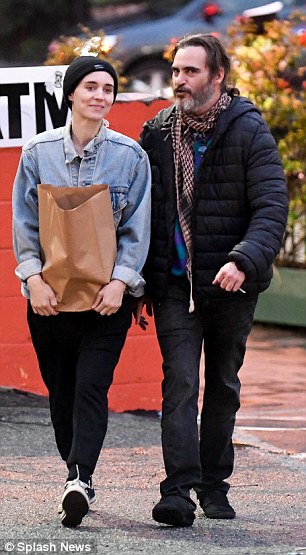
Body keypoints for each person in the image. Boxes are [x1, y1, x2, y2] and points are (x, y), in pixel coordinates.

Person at [138, 34, 288, 526]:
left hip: (232, 286)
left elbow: (271, 207)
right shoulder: (158, 132)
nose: (178, 81)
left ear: (217, 75)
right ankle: (177, 492)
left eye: (190, 72)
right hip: (176, 286)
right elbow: (141, 208)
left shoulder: (247, 129)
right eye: (176, 71)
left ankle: (214, 484)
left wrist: (243, 259)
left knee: (222, 385)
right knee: (179, 384)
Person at [12, 56, 151, 528]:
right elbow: (24, 223)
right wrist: (33, 280)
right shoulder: (38, 153)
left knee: (92, 386)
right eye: (90, 86)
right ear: (71, 93)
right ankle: (73, 469)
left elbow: (137, 228)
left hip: (106, 302)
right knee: (62, 393)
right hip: (49, 300)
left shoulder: (130, 157)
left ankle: (80, 477)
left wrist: (120, 283)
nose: (99, 95)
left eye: (107, 88)